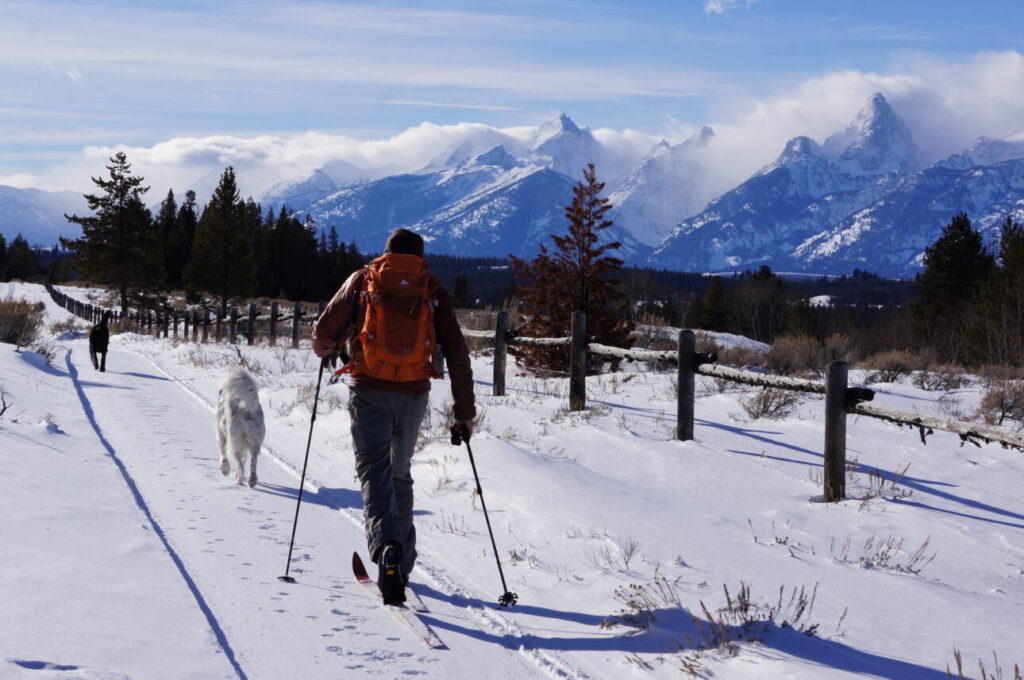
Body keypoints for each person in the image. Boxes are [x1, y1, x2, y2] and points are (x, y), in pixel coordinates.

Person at [312, 228, 475, 604]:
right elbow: (457, 353)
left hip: (368, 389)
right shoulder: (432, 290)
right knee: (399, 473)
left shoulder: (363, 280)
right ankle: (401, 567)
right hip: (414, 395)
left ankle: (387, 545)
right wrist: (464, 413)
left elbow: (322, 335)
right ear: (420, 257)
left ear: (385, 253)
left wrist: (330, 349)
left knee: (374, 470)